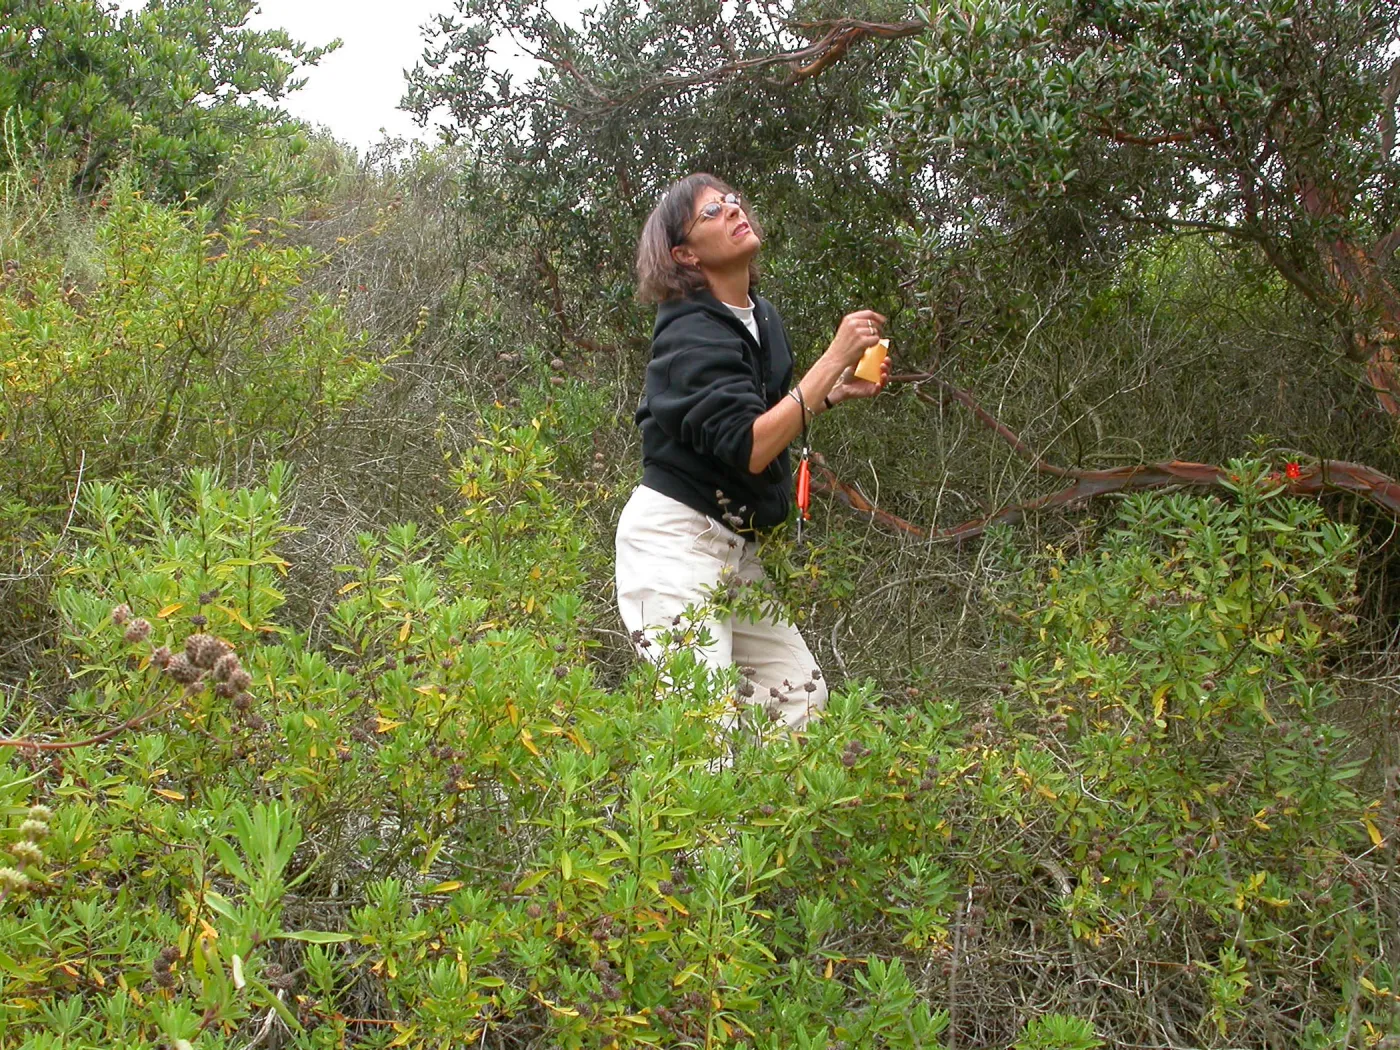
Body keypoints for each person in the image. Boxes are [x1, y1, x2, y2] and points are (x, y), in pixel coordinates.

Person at [617, 173, 889, 733]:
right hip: (673, 545)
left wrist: (833, 393)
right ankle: (689, 820)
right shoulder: (687, 335)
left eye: (732, 201)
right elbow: (751, 446)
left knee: (799, 700)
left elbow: (763, 416)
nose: (733, 211)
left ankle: (763, 820)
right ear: (685, 254)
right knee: (706, 733)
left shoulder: (760, 317)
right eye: (711, 212)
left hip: (732, 548)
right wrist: (833, 358)